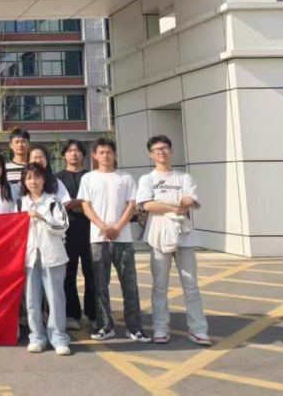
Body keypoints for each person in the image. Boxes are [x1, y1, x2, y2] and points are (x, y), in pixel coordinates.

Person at [137, 135, 211, 346]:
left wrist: (164, 203)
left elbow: (190, 200)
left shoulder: (184, 177)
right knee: (160, 285)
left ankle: (198, 330)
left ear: (171, 151)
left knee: (191, 284)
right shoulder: (147, 179)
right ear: (151, 155)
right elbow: (147, 205)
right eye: (156, 149)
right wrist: (175, 207)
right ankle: (160, 328)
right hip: (158, 235)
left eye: (164, 148)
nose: (161, 152)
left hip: (183, 234)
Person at [79, 138, 150, 343]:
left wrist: (117, 227)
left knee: (129, 284)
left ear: (115, 154)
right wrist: (103, 227)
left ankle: (134, 328)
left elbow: (131, 206)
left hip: (123, 239)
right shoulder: (88, 178)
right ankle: (105, 326)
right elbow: (86, 207)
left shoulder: (125, 177)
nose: (105, 155)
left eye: (109, 152)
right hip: (98, 239)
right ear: (94, 155)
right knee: (100, 285)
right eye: (101, 152)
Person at [18, 163, 71, 356]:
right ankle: (37, 337)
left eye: (37, 177)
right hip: (30, 258)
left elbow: (63, 226)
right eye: (29, 178)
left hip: (53, 256)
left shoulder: (53, 201)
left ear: (44, 180)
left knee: (55, 299)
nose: (33, 181)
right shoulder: (20, 203)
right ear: (24, 182)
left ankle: (59, 338)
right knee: (32, 301)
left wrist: (41, 217)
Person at [56, 139, 95, 331]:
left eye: (78, 150)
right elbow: (58, 205)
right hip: (67, 233)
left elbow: (96, 202)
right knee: (68, 275)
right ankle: (72, 314)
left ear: (83, 155)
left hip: (91, 231)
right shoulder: (57, 179)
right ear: (64, 155)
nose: (74, 153)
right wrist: (83, 203)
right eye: (70, 150)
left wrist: (73, 203)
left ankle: (93, 314)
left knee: (92, 274)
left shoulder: (92, 177)